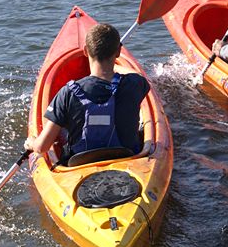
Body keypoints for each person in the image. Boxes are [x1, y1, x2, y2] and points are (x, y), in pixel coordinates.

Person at [25, 23, 150, 162]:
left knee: (62, 127)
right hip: (126, 158)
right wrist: (114, 67)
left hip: (79, 164)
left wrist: (32, 143)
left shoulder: (68, 92)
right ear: (118, 52)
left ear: (85, 51)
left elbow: (42, 147)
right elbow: (137, 74)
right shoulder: (135, 83)